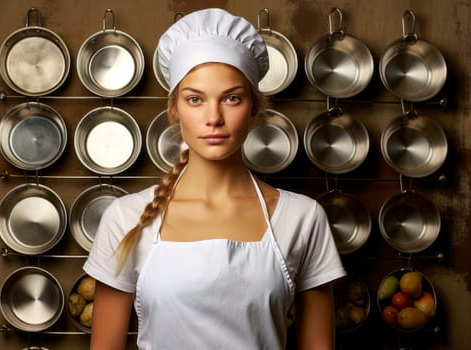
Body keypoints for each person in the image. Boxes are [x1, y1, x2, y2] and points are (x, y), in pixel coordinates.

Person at [83, 8, 346, 350]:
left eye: (231, 98)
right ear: (174, 108)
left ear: (254, 107)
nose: (213, 118)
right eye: (195, 99)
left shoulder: (302, 217)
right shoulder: (125, 217)